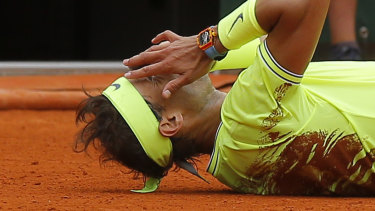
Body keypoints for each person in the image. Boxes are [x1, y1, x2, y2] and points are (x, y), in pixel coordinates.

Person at [75, 0, 375, 195]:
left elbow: (263, 40)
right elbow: (298, 5)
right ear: (171, 122)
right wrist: (206, 45)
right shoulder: (248, 118)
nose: (167, 68)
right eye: (155, 78)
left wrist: (210, 54)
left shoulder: (237, 160)